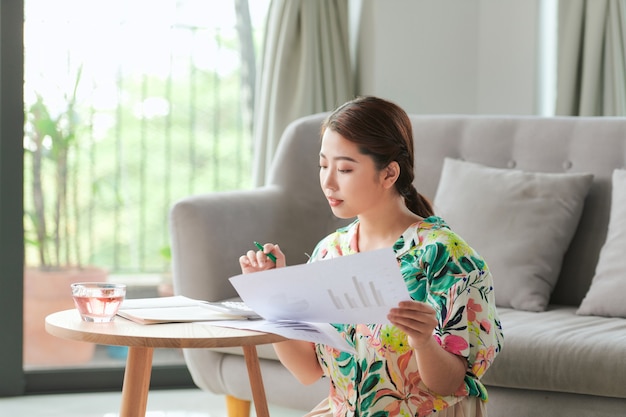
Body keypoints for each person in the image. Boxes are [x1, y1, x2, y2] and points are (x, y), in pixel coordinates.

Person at [239, 96, 503, 417]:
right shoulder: (329, 253)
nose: (328, 182)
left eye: (345, 168)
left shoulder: (445, 256)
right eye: (323, 165)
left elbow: (448, 385)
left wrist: (422, 341)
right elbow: (308, 371)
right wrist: (271, 298)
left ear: (389, 174)